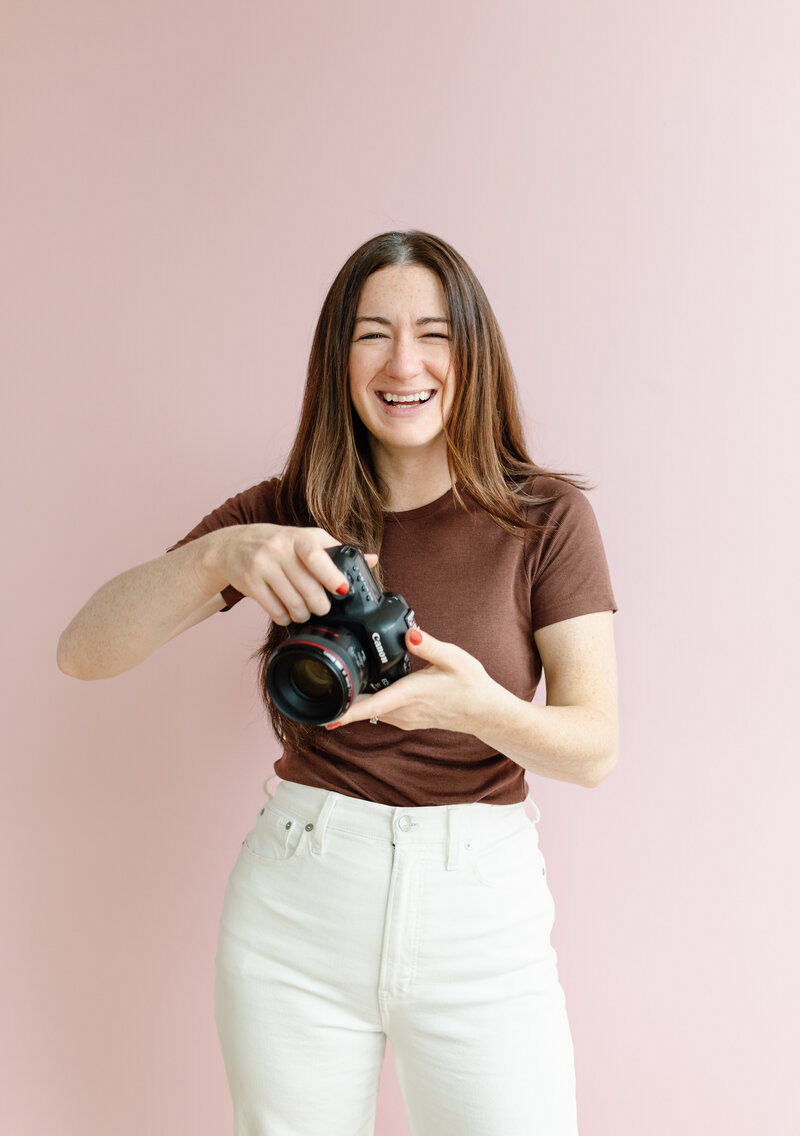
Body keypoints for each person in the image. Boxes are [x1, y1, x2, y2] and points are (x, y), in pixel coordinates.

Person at [57, 230, 619, 1136]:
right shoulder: (286, 512)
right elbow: (84, 651)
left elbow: (595, 748)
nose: (405, 363)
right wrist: (220, 555)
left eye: (435, 333)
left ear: (473, 353)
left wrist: (480, 709)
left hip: (481, 911)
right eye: (373, 335)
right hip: (300, 901)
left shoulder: (544, 516)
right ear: (338, 359)